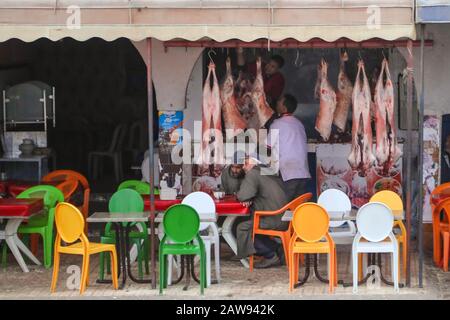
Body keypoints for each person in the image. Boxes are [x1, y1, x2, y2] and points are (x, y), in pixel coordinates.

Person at [234, 152, 289, 269]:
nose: (243, 166)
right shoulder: (269, 171)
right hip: (284, 217)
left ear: (254, 162)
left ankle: (270, 255)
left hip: (272, 218)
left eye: (246, 162)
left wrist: (243, 195)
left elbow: (243, 195)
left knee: (240, 227)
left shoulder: (253, 173)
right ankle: (276, 248)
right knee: (250, 222)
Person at [267, 94, 311, 202]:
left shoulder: (277, 124)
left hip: (289, 174)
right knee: (299, 209)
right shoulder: (299, 123)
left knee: (281, 206)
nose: (276, 103)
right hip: (303, 173)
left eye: (279, 102)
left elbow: (267, 147)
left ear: (284, 108)